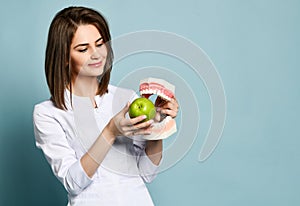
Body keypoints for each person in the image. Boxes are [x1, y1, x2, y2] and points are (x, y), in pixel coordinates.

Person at [33, 6, 178, 206]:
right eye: (83, 49)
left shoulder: (126, 98)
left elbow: (147, 173)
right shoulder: (48, 114)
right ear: (64, 57)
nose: (97, 54)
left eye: (100, 44)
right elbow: (73, 182)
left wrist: (158, 123)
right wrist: (110, 132)